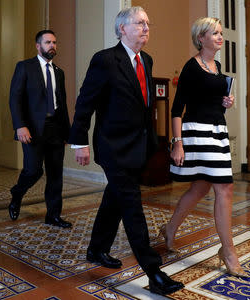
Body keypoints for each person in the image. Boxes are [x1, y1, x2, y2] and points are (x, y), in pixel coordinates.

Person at [68, 6, 184, 296]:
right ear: (122, 29)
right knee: (132, 205)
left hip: (138, 146)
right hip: (112, 146)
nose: (146, 28)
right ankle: (154, 272)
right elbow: (85, 102)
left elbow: (145, 107)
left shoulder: (146, 59)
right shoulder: (105, 60)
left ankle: (97, 249)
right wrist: (78, 141)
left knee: (115, 199)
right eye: (139, 23)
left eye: (148, 23)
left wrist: (155, 144)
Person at [161, 17, 248, 278]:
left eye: (221, 33)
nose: (220, 37)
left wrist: (227, 102)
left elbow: (213, 101)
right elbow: (177, 110)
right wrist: (178, 144)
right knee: (224, 187)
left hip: (218, 132)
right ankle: (229, 250)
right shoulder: (191, 67)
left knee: (200, 187)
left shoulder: (217, 66)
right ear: (201, 38)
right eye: (215, 33)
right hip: (197, 133)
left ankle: (169, 229)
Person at [8, 30, 71, 228]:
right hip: (32, 129)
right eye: (47, 42)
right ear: (38, 46)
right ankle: (17, 193)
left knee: (55, 174)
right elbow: (15, 98)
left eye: (54, 42)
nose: (52, 45)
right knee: (33, 170)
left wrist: (67, 132)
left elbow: (62, 104)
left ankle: (53, 215)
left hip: (55, 129)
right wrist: (20, 126)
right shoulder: (25, 67)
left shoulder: (59, 72)